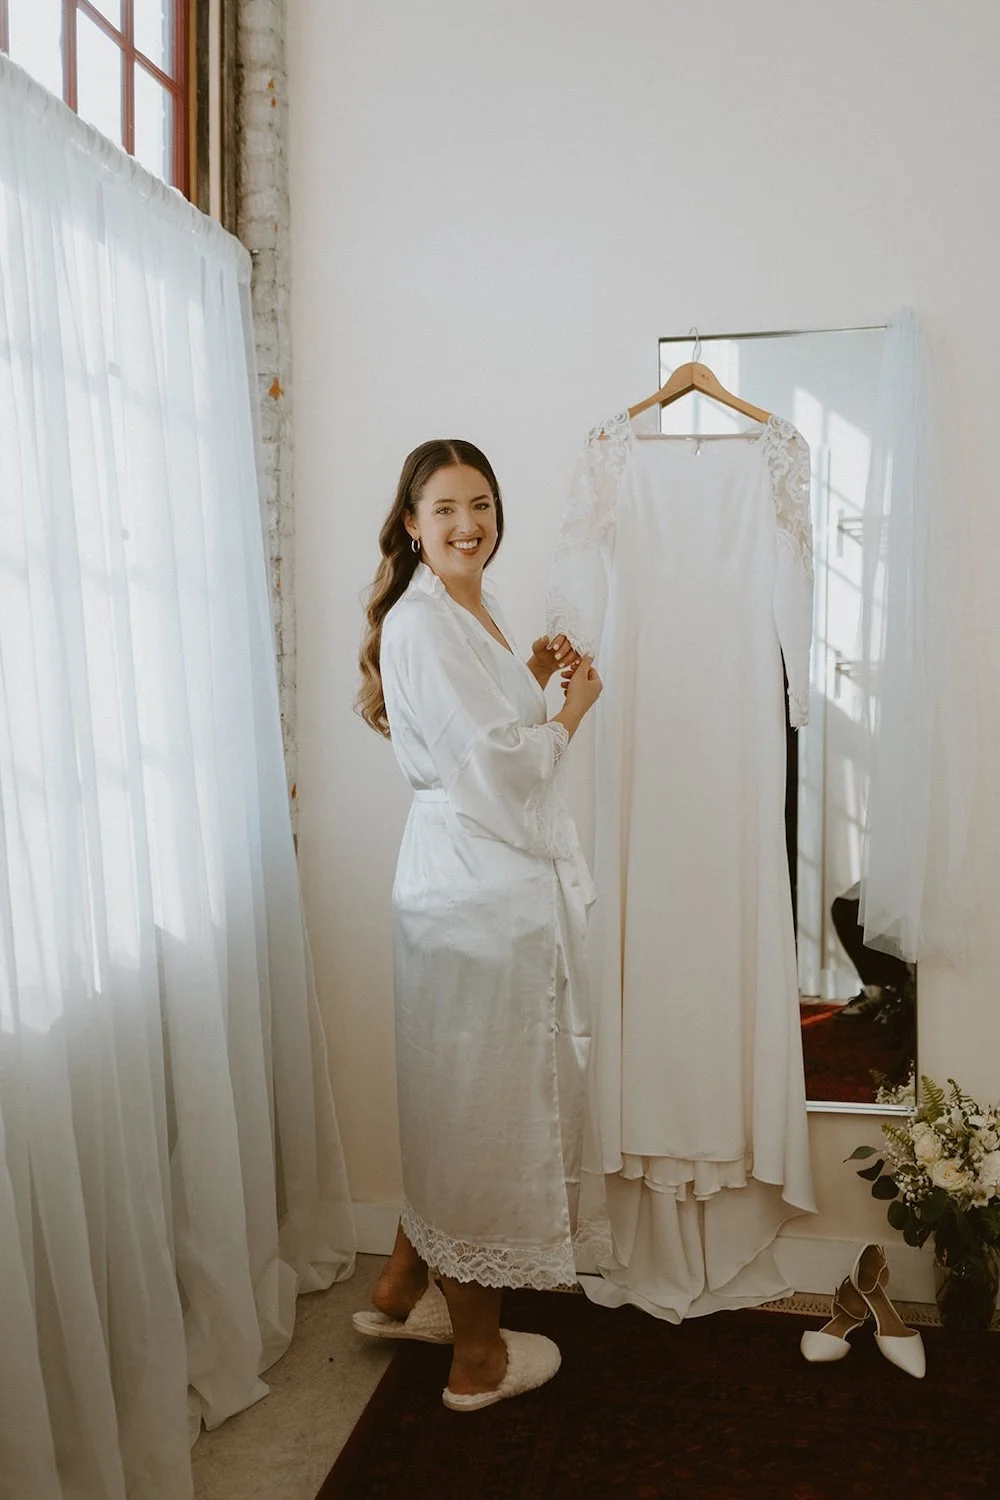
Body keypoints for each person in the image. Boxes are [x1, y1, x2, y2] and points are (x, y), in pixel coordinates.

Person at [352, 439, 602, 1411]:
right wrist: (571, 712)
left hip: (473, 882)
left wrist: (528, 673)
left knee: (454, 1098)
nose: (469, 525)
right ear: (410, 523)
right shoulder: (419, 623)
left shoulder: (470, 606)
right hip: (472, 891)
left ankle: (399, 1285)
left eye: (483, 504)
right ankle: (477, 1358)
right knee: (479, 1114)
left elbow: (483, 733)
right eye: (446, 509)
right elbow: (497, 773)